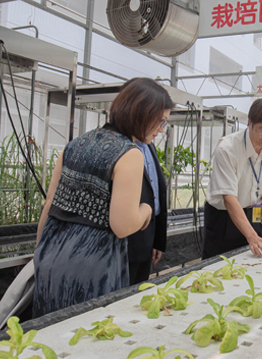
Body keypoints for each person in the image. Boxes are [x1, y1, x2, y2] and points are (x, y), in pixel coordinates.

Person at [32, 78, 173, 316]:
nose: (161, 129)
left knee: (50, 333)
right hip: (92, 264)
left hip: (51, 257)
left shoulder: (75, 145)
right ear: (142, 113)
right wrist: (146, 210)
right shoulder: (129, 153)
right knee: (91, 332)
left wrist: (40, 252)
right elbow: (123, 226)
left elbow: (50, 204)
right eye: (161, 121)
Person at [203, 98, 262, 259]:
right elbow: (228, 197)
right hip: (224, 215)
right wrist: (251, 236)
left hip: (254, 210)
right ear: (250, 123)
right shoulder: (227, 149)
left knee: (255, 259)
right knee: (218, 265)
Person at [127, 96, 171, 286]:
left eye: (164, 122)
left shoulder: (148, 145)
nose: (161, 129)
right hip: (126, 242)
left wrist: (157, 241)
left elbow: (157, 194)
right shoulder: (122, 149)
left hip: (147, 237)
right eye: (160, 120)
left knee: (138, 291)